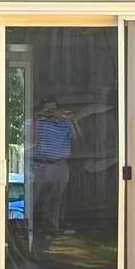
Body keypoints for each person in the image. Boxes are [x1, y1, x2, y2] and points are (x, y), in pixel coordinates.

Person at [28, 97, 76, 249]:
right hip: (37, 165)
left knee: (56, 199)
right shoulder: (34, 123)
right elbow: (26, 138)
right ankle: (26, 228)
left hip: (59, 165)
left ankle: (52, 228)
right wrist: (36, 117)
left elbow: (78, 138)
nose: (50, 112)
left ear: (59, 110)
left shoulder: (65, 124)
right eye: (47, 109)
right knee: (31, 198)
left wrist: (72, 120)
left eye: (53, 109)